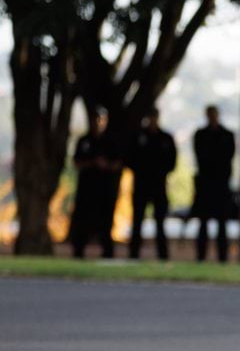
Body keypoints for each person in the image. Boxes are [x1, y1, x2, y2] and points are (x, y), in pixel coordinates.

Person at [68, 109, 122, 259]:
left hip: (104, 190)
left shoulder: (110, 142)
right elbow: (76, 162)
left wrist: (106, 165)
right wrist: (92, 163)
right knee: (83, 222)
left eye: (100, 119)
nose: (97, 122)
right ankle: (78, 253)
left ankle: (108, 255)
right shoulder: (84, 140)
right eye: (94, 119)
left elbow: (118, 163)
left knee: (105, 224)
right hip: (86, 190)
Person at [127, 107, 177, 260]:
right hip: (141, 185)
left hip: (159, 186)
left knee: (160, 223)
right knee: (137, 221)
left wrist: (159, 171)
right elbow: (130, 158)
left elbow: (172, 161)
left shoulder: (165, 138)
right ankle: (133, 255)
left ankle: (163, 257)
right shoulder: (139, 137)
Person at [193, 105, 236, 263]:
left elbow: (226, 158)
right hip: (207, 185)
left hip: (220, 185)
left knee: (221, 224)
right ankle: (201, 256)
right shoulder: (202, 135)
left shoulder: (226, 135)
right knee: (203, 223)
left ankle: (222, 257)